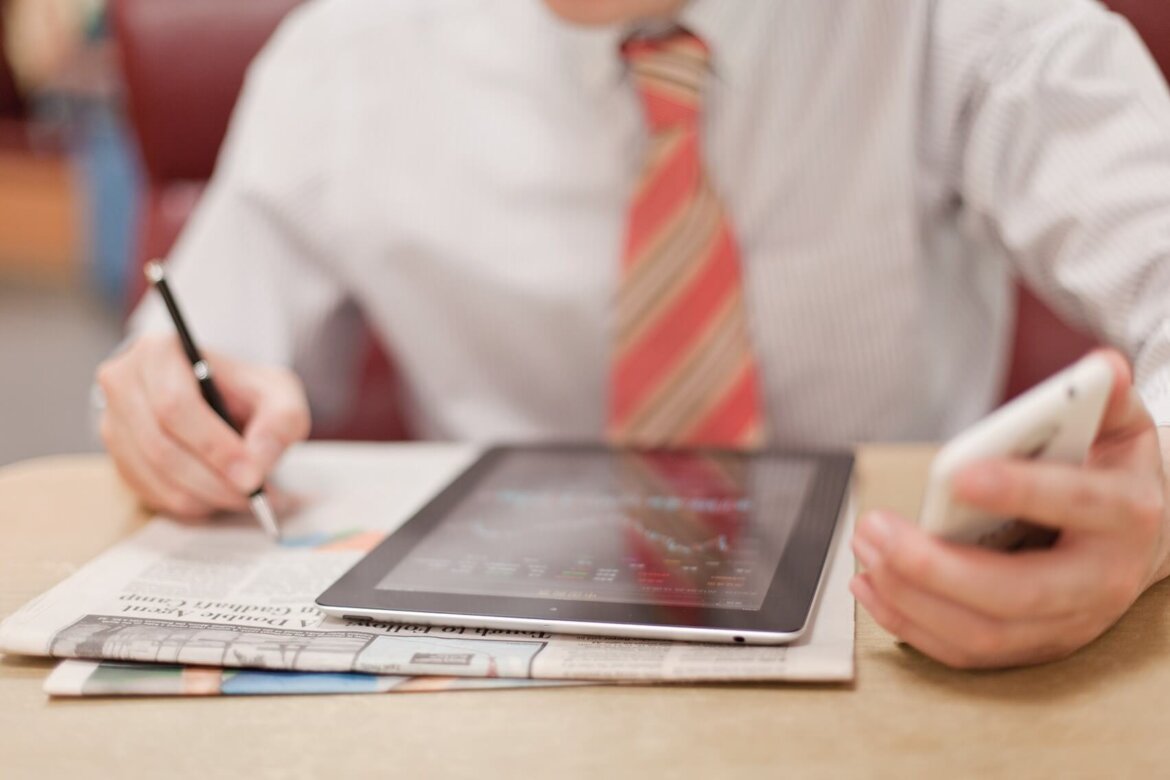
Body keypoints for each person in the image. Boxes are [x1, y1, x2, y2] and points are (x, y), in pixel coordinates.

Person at [95, 0, 1170, 669]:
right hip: (482, 678)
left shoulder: (962, 23)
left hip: (900, 643)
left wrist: (1153, 509)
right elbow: (196, 359)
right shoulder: (341, 57)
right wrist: (174, 411)